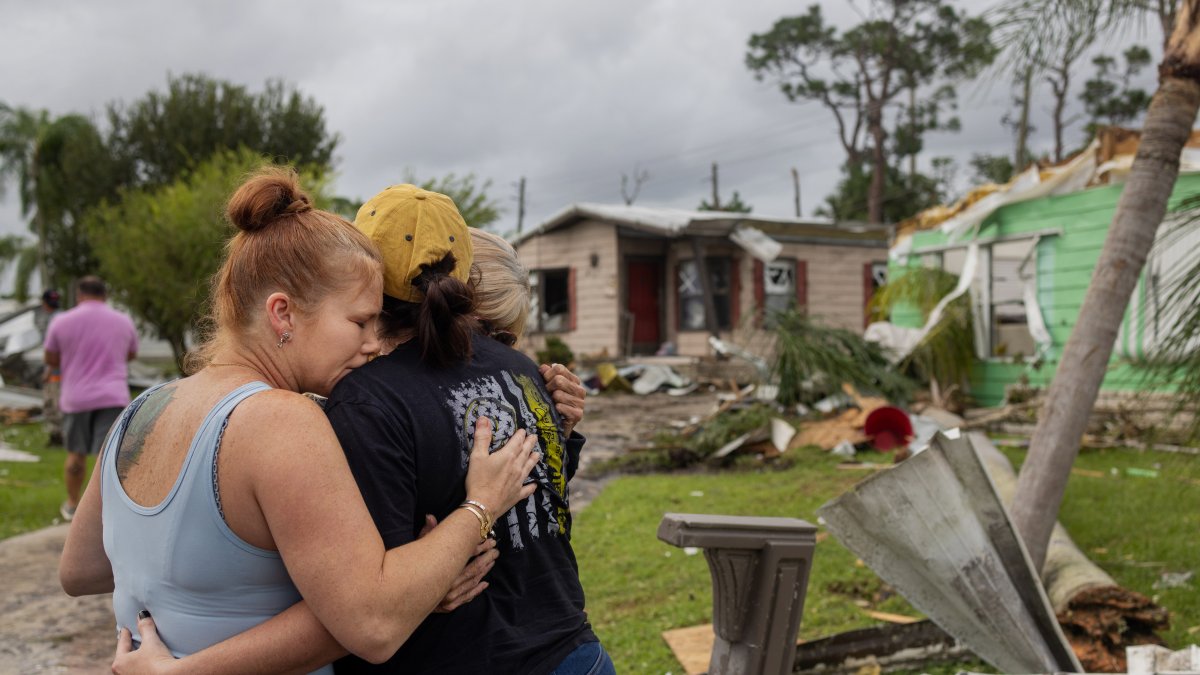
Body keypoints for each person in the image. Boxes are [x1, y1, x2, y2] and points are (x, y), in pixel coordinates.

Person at [60, 168, 542, 673]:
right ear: (283, 314)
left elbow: (81, 569)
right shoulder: (281, 422)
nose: (374, 342)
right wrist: (478, 508)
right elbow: (374, 625)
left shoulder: (142, 408)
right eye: (359, 321)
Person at [44, 277, 139, 521]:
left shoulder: (61, 321)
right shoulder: (123, 321)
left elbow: (51, 359)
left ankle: (73, 504)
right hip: (112, 396)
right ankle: (104, 510)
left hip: (76, 399)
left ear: (79, 295)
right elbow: (131, 353)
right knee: (106, 457)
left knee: (75, 454)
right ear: (104, 295)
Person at [34, 289, 64, 447]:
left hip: (56, 371)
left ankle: (57, 436)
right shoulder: (62, 317)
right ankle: (57, 436)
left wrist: (48, 371)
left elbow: (56, 351)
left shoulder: (54, 321)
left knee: (53, 403)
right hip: (61, 370)